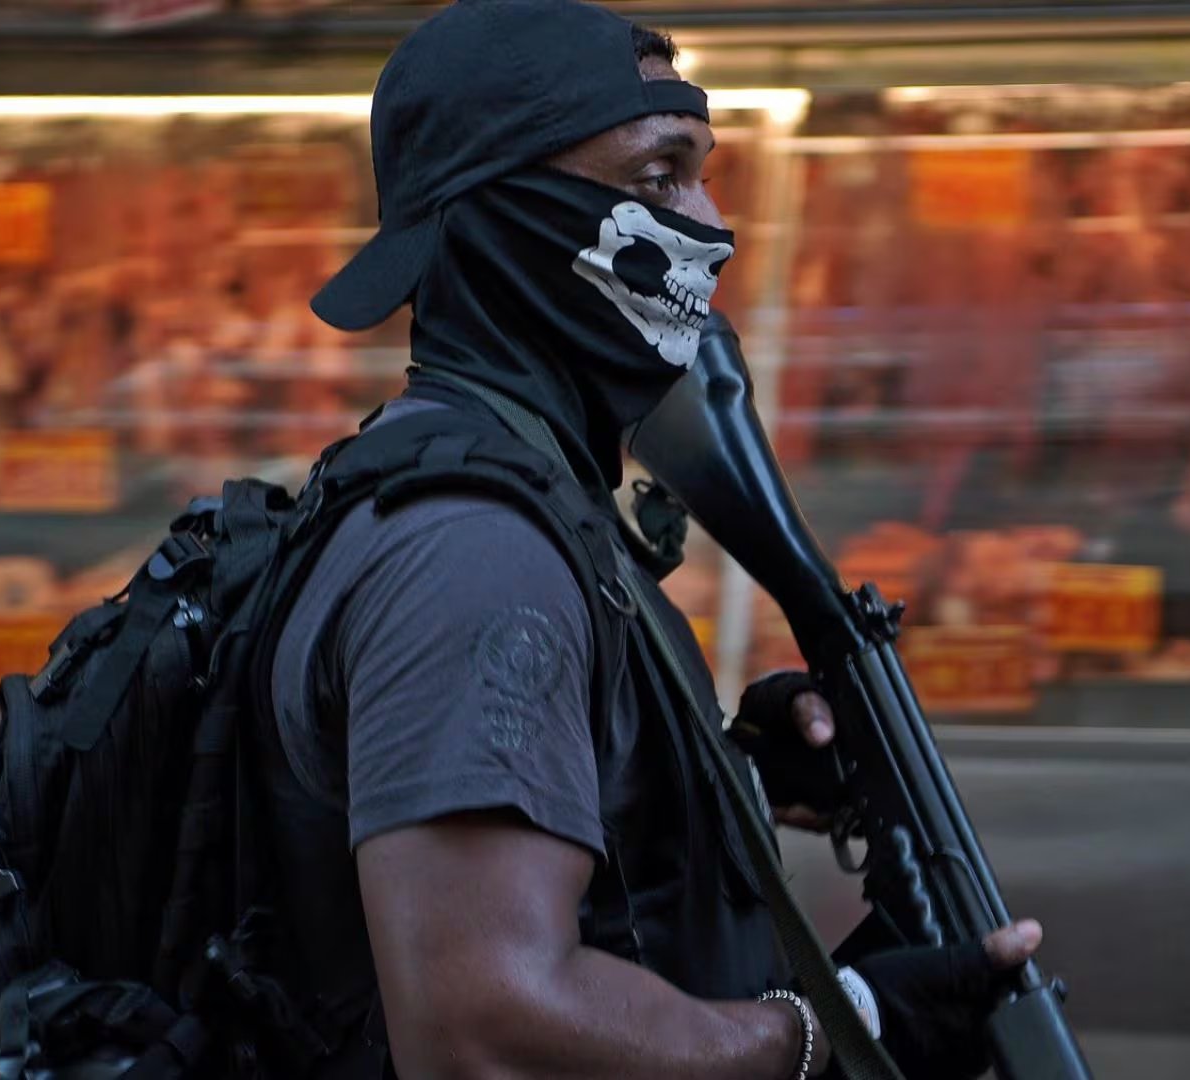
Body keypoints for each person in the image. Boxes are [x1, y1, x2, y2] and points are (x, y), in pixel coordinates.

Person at [258, 2, 1046, 1077]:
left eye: (703, 173)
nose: (712, 226)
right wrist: (831, 1026)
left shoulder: (520, 497)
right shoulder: (475, 556)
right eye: (657, 180)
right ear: (507, 217)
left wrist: (703, 784)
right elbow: (485, 1029)